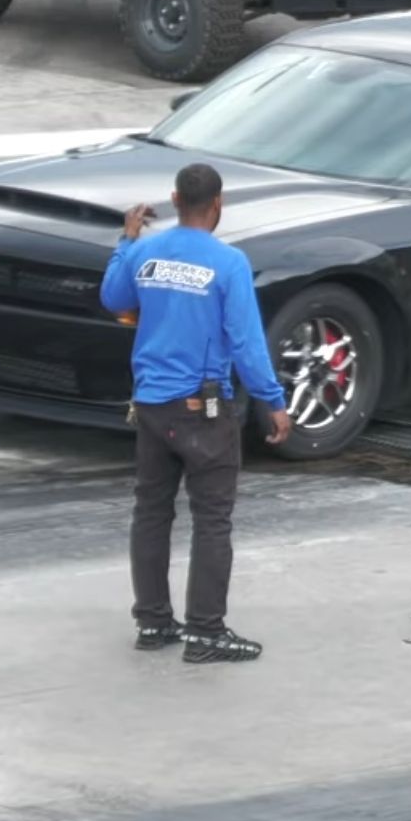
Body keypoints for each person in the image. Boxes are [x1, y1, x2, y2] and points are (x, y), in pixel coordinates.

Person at [100, 163, 292, 663]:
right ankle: (206, 633)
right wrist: (273, 402)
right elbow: (247, 343)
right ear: (218, 204)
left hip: (150, 406)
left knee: (151, 513)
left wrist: (125, 240)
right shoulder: (228, 263)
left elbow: (113, 297)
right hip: (202, 411)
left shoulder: (144, 251)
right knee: (211, 519)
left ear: (175, 199)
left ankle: (153, 623)